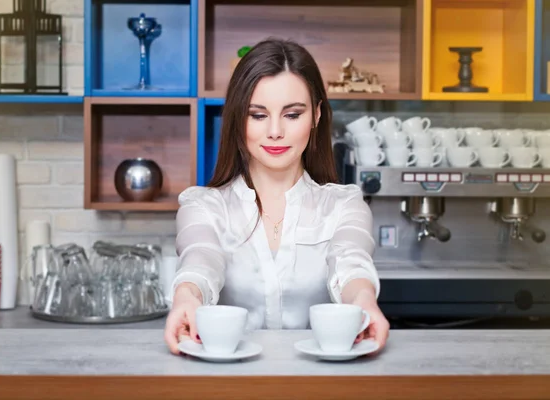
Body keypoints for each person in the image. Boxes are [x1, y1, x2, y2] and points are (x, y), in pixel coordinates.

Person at [164, 38, 389, 355]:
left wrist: (364, 301)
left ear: (317, 116)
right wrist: (186, 297)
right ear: (237, 119)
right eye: (257, 115)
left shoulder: (345, 204)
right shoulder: (202, 206)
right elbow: (201, 259)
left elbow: (350, 264)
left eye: (292, 114)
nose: (274, 131)